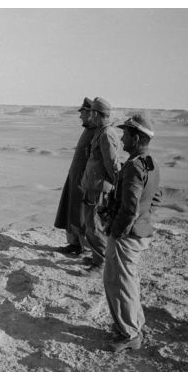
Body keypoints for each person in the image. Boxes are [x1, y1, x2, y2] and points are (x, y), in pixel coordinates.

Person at [102, 113, 161, 352]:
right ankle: (135, 324)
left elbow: (129, 208)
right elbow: (156, 197)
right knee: (129, 282)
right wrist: (143, 219)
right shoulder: (150, 162)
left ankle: (129, 335)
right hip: (140, 232)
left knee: (118, 283)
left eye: (126, 134)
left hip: (127, 237)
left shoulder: (135, 166)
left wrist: (117, 233)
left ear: (136, 138)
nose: (122, 138)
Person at [79, 97, 120, 275]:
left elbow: (113, 165)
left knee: (94, 226)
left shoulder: (106, 134)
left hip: (98, 190)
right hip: (93, 187)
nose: (90, 116)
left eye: (91, 113)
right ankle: (97, 257)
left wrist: (114, 188)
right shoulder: (101, 132)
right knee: (91, 225)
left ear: (96, 113)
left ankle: (100, 264)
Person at [54, 97, 95, 255]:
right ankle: (74, 244)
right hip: (75, 178)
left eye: (83, 113)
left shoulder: (97, 134)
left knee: (81, 214)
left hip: (84, 181)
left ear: (91, 113)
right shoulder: (88, 130)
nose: (80, 116)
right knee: (72, 211)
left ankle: (85, 247)